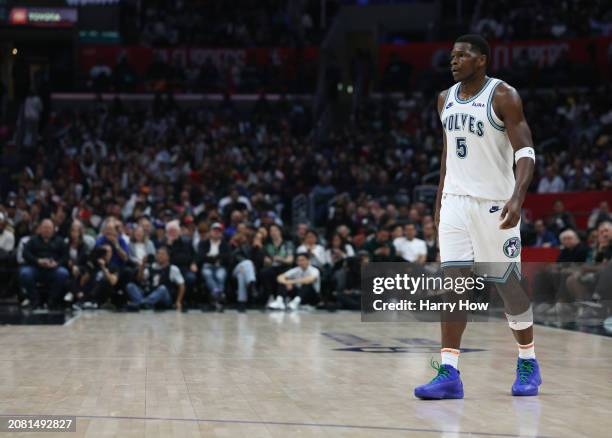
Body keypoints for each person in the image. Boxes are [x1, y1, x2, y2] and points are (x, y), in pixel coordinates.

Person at [415, 35, 540, 400]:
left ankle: (528, 360)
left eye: (462, 55)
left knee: (508, 286)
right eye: (452, 55)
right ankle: (449, 372)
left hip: (494, 204)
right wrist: (440, 201)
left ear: (482, 60)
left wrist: (518, 197)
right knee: (451, 287)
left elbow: (526, 151)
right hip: (456, 203)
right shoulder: (444, 99)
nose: (453, 61)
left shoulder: (503, 96)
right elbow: (448, 155)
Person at [19, 219, 69, 309]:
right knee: (25, 273)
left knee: (63, 273)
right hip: (36, 268)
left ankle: (52, 300)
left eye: (49, 228)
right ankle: (34, 300)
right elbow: (25, 253)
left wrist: (57, 263)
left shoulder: (60, 241)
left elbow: (65, 256)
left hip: (53, 269)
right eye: (45, 228)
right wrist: (37, 261)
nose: (47, 230)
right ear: (40, 229)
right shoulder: (33, 240)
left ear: (53, 229)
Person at [126, 246, 185, 310]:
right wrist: (142, 265)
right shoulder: (151, 267)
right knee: (130, 286)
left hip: (164, 298)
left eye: (162, 254)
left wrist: (178, 301)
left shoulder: (173, 269)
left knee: (163, 288)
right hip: (150, 293)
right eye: (158, 254)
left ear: (168, 257)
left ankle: (140, 304)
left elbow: (182, 286)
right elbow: (140, 279)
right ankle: (144, 304)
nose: (159, 256)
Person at [197, 222, 231, 311]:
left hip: (220, 267)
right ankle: (219, 295)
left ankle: (216, 299)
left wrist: (212, 257)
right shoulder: (203, 243)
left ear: (221, 233)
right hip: (207, 266)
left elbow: (227, 258)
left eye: (218, 231)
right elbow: (201, 257)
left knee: (220, 276)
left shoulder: (225, 244)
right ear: (210, 232)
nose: (216, 232)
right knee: (207, 274)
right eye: (214, 230)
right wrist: (216, 258)